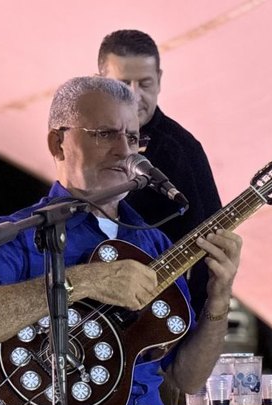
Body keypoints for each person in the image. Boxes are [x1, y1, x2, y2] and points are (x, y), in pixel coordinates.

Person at [0, 76, 272, 405]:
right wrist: (84, 282)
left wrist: (219, 299)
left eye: (133, 138)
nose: (124, 150)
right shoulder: (20, 236)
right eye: (104, 134)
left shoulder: (153, 242)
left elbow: (185, 378)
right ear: (57, 143)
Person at [98, 29, 222, 318]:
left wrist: (192, 324)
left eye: (145, 83)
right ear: (100, 83)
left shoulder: (182, 149)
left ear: (160, 81)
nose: (134, 95)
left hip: (154, 318)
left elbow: (211, 242)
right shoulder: (82, 141)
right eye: (122, 84)